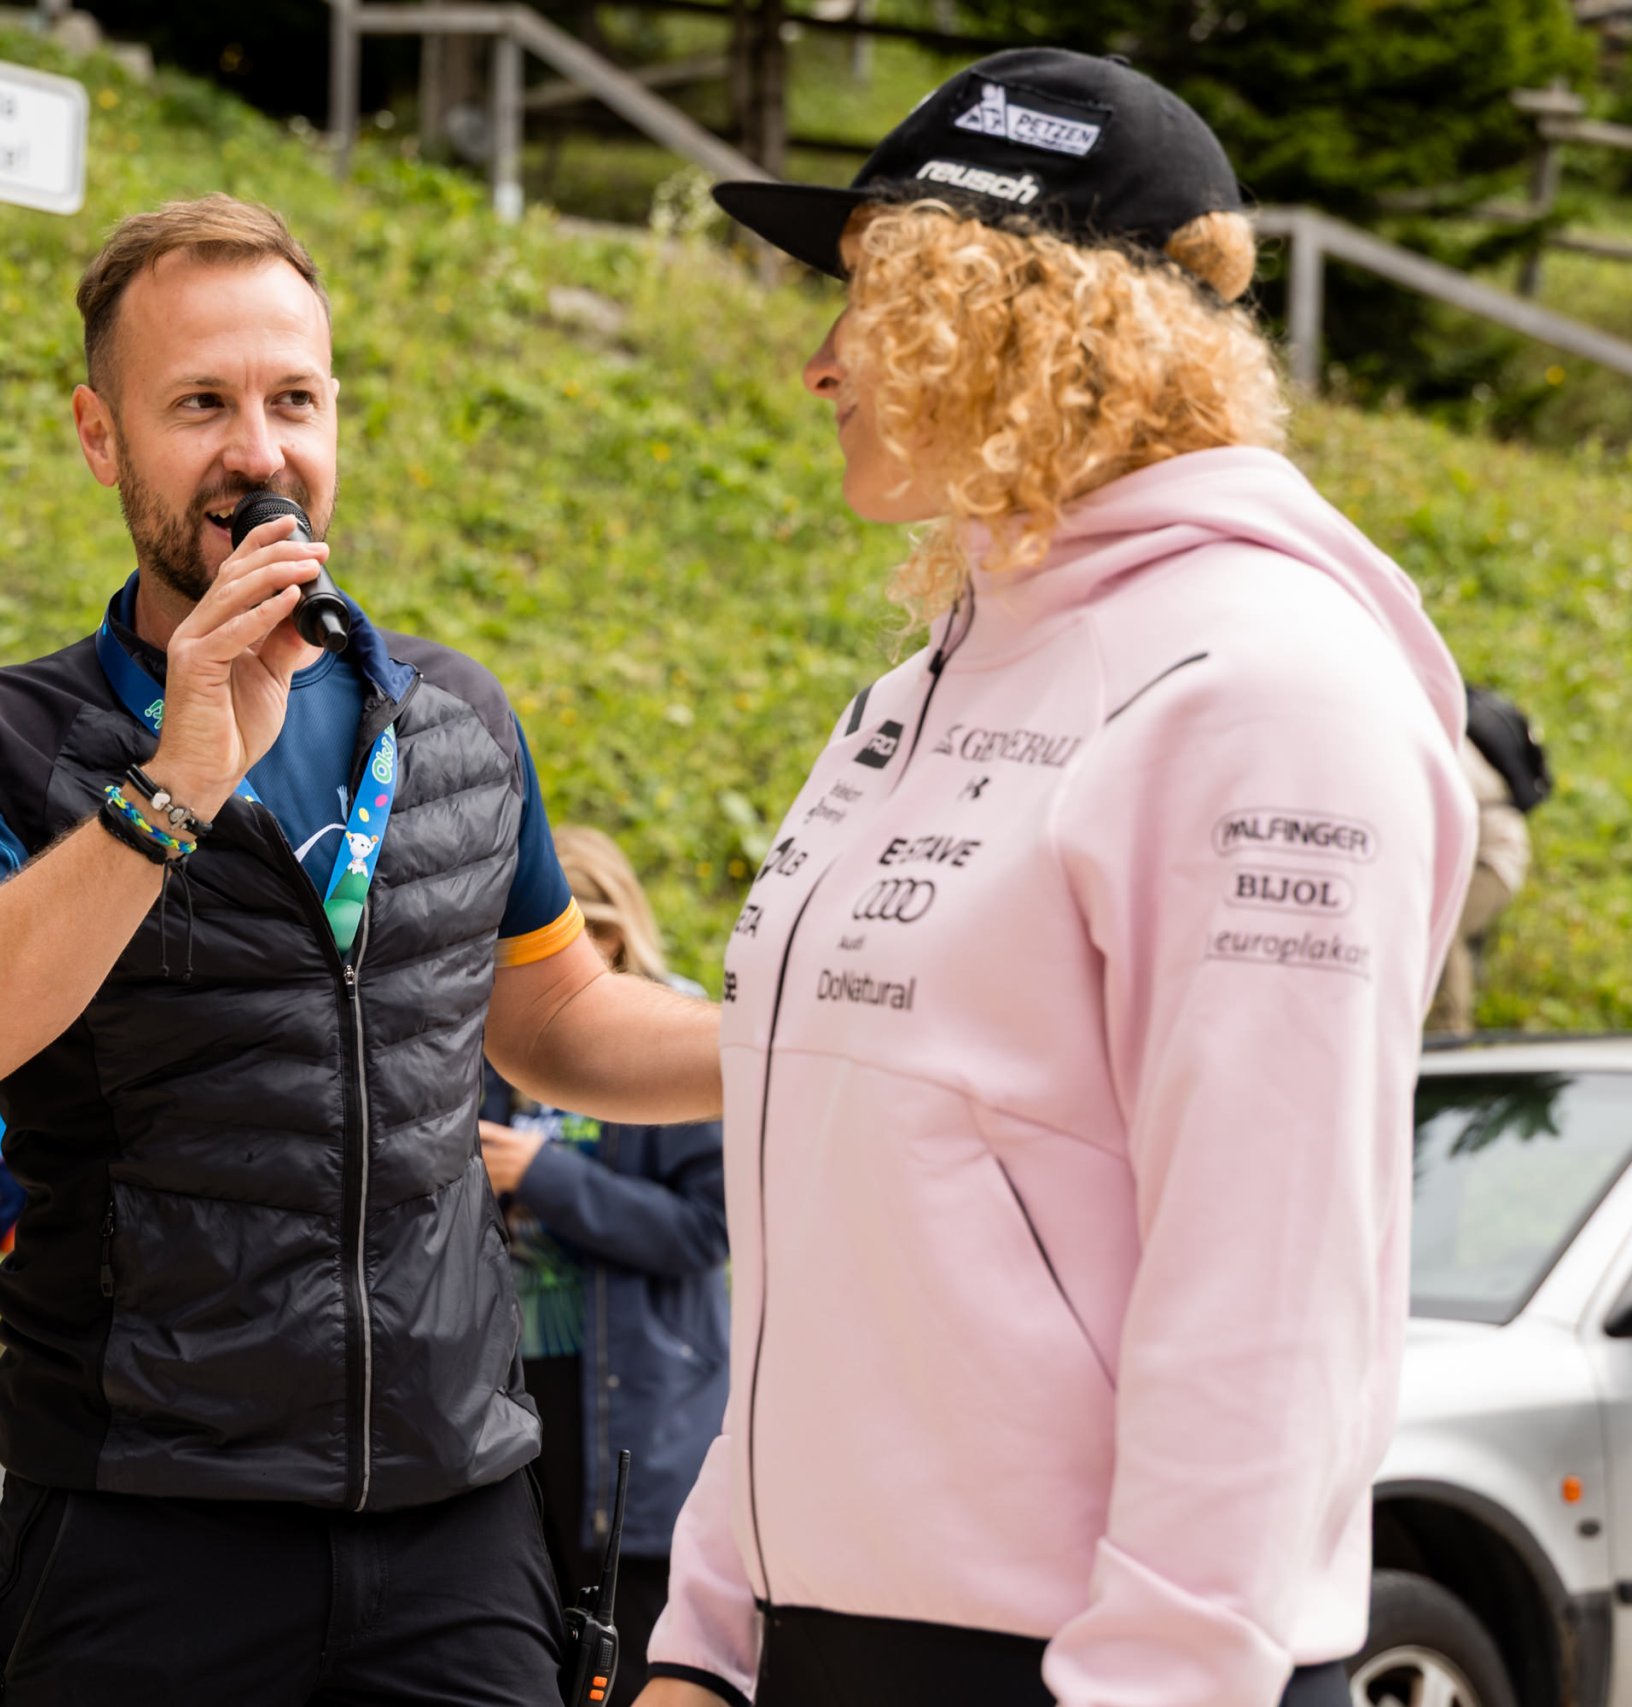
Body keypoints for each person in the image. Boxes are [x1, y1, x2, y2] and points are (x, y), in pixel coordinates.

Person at [635, 50, 1477, 1707]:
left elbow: (1270, 1299)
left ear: (1022, 316)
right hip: (818, 1647)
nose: (824, 361)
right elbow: (831, 1219)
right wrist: (713, 1638)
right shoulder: (924, 687)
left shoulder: (1270, 693)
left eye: (874, 296)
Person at [0, 194, 720, 1705]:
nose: (259, 451)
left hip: (454, 1521)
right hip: (144, 1526)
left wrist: (814, 1032)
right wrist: (168, 789)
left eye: (293, 400)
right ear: (101, 436)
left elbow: (558, 1019)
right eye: (200, 404)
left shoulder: (454, 719)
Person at [478, 826, 729, 1679]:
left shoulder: (676, 1040)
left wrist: (543, 1176)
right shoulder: (495, 1036)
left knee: (631, 1656)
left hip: (634, 1404)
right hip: (517, 1398)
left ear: (611, 935)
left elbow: (706, 1231)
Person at [1425, 684, 1546, 1035]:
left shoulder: (1449, 748)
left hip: (1492, 861)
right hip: (1468, 856)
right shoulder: (1443, 739)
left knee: (1443, 926)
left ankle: (1449, 1033)